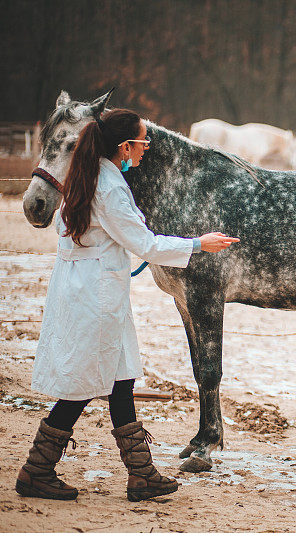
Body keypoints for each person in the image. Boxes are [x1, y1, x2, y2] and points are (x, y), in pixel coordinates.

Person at [16, 108, 239, 502]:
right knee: (84, 386)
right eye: (141, 141)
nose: (145, 148)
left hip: (90, 290)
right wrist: (198, 244)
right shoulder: (111, 185)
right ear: (124, 146)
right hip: (97, 297)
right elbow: (146, 244)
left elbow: (80, 231)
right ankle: (37, 470)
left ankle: (141, 474)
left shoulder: (84, 175)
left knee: (121, 382)